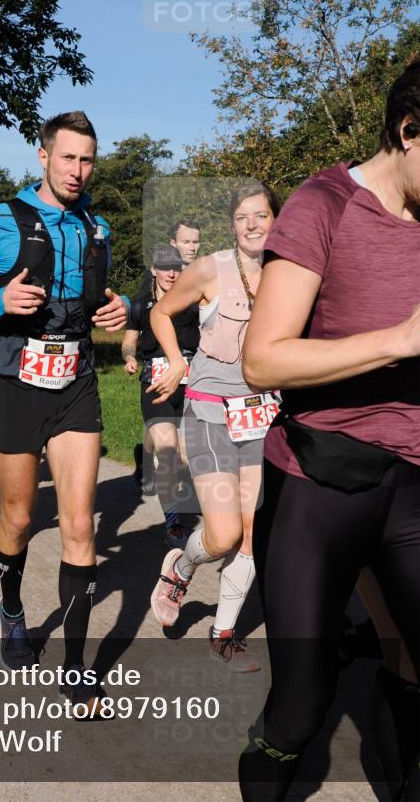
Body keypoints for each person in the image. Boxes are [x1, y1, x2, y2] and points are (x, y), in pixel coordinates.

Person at [238, 61, 420, 801]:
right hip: (320, 482)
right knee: (302, 703)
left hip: (411, 486)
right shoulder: (324, 204)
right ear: (409, 131)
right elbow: (261, 358)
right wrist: (399, 340)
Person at [0, 111, 128, 713]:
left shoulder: (97, 226)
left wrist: (117, 306)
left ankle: (74, 668)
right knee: (19, 519)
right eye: (68, 157)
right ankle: (13, 606)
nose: (78, 170)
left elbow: (101, 294)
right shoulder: (0, 219)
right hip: (15, 383)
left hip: (76, 384)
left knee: (80, 527)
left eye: (88, 159)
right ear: (43, 156)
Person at [148, 181, 281, 672]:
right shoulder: (210, 269)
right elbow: (161, 313)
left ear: (275, 220)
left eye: (261, 215)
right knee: (221, 535)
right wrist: (175, 362)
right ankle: (181, 567)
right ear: (232, 224)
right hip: (208, 411)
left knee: (249, 533)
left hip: (262, 413)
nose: (252, 224)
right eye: (243, 216)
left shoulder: (289, 275)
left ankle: (223, 633)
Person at [121, 244, 199, 547]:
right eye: (164, 266)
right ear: (153, 269)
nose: (170, 272)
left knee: (185, 458)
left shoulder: (194, 303)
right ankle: (174, 523)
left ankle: (146, 453)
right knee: (169, 450)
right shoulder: (140, 306)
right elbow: (129, 341)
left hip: (192, 388)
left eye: (176, 267)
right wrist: (129, 356)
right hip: (156, 387)